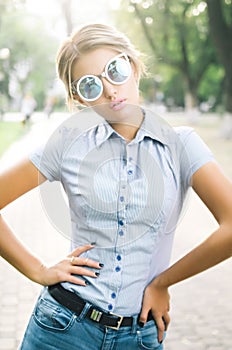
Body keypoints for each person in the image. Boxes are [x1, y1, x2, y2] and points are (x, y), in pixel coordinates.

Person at [0, 23, 231, 350]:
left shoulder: (181, 145)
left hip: (139, 334)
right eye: (90, 86)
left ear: (134, 67)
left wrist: (164, 282)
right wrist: (37, 270)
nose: (110, 90)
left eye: (116, 70)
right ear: (79, 98)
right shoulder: (68, 144)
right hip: (61, 327)